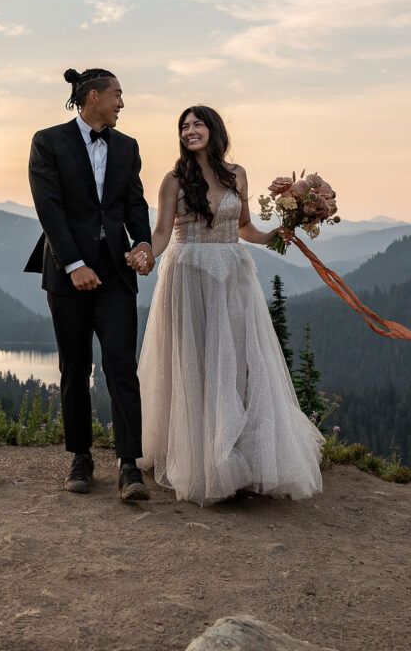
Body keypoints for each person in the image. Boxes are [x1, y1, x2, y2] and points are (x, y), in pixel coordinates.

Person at [131, 106, 324, 506]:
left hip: (233, 275)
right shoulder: (172, 180)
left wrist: (275, 233)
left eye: (197, 124)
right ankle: (204, 461)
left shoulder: (237, 174)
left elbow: (244, 228)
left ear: (214, 129)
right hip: (188, 275)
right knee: (195, 361)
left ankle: (240, 456)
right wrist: (147, 257)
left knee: (237, 362)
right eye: (183, 126)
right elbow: (163, 233)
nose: (189, 131)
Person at [25, 67, 154, 500]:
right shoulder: (48, 141)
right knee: (74, 368)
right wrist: (74, 264)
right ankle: (80, 457)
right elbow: (49, 208)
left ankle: (129, 465)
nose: (122, 102)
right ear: (93, 96)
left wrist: (142, 245)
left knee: (121, 367)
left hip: (116, 274)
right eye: (118, 94)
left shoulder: (128, 147)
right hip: (67, 274)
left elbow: (135, 203)